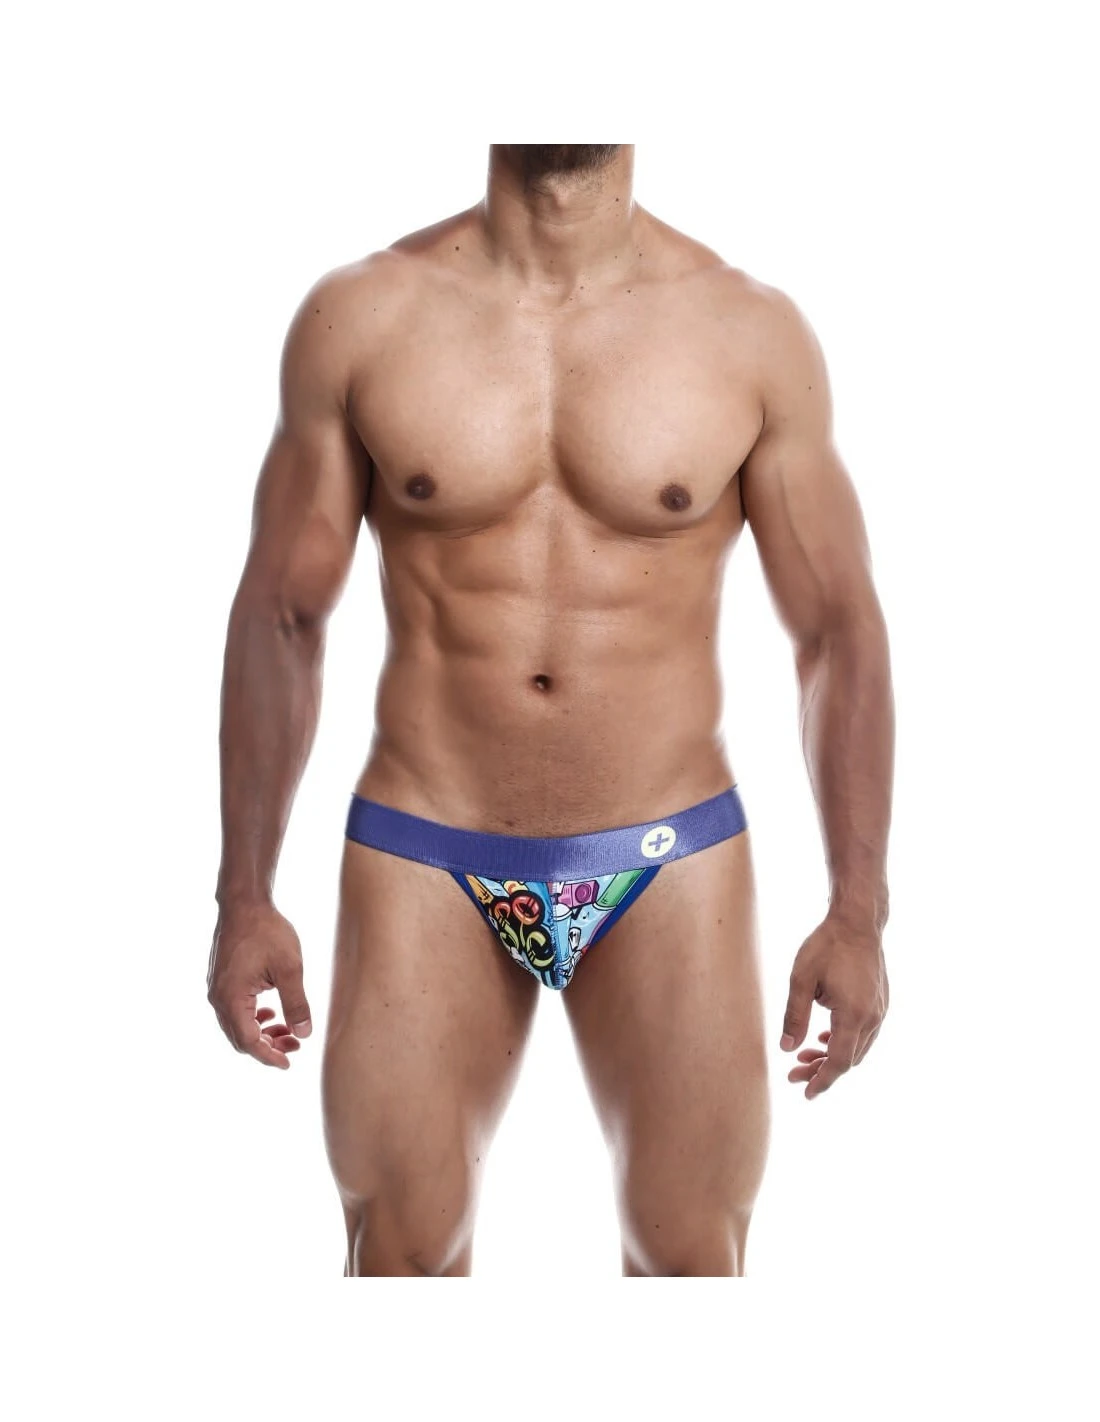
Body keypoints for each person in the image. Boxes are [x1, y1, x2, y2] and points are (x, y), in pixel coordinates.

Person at [207, 143, 894, 1277]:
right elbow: (282, 613)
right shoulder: (361, 318)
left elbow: (837, 633)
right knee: (399, 1262)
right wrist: (244, 897)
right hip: (425, 845)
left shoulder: (749, 334)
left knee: (690, 1270)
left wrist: (858, 912)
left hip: (668, 852)